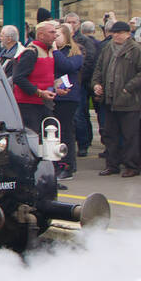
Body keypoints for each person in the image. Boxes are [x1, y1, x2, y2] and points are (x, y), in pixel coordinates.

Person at [94, 22, 141, 177]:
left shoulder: (136, 50)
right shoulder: (107, 48)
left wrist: (129, 87)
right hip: (109, 100)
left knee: (130, 136)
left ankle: (132, 166)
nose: (116, 35)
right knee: (110, 135)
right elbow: (99, 69)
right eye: (114, 33)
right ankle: (112, 165)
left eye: (119, 33)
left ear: (128, 33)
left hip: (129, 101)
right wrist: (96, 84)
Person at [11, 20, 59, 133]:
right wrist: (39, 92)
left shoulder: (49, 51)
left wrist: (56, 89)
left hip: (43, 103)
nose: (55, 35)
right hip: (29, 105)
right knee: (33, 138)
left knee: (50, 135)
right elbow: (18, 77)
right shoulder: (31, 52)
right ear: (41, 35)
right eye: (51, 32)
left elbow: (46, 77)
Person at [52, 22, 84, 181]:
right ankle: (56, 163)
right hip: (53, 95)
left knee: (65, 131)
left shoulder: (74, 53)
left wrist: (55, 51)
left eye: (57, 35)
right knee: (54, 132)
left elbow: (66, 67)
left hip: (68, 97)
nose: (54, 38)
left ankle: (68, 165)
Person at [75, 19, 101, 156]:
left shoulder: (84, 42)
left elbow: (90, 62)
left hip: (83, 83)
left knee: (81, 114)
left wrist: (82, 79)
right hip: (82, 83)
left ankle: (84, 143)